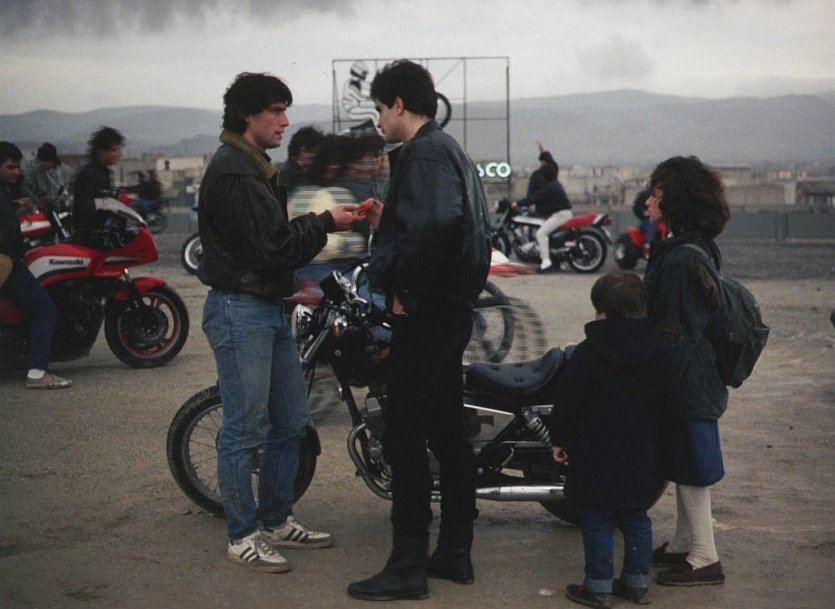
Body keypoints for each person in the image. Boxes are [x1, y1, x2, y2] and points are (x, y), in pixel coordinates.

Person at [196, 72, 359, 574]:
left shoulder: (253, 165)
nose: (285, 121)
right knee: (244, 429)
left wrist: (325, 224)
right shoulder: (235, 170)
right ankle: (242, 535)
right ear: (248, 115)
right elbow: (272, 249)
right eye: (275, 111)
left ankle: (275, 519)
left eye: (285, 110)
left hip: (265, 307)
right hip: (240, 309)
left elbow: (271, 244)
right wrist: (327, 222)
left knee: (291, 421)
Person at [346, 59, 492, 601]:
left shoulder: (424, 153)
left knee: (404, 436)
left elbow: (432, 231)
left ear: (399, 105)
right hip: (449, 311)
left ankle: (407, 564)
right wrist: (389, 221)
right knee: (448, 432)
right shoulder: (446, 149)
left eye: (380, 109)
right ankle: (454, 551)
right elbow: (442, 225)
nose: (379, 120)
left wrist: (404, 293)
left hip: (427, 314)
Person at [548, 271, 666, 608]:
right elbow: (666, 400)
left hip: (595, 453)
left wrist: (560, 439)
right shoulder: (657, 350)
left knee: (597, 518)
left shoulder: (588, 352)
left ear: (602, 312)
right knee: (636, 518)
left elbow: (568, 401)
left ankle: (598, 587)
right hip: (641, 452)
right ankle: (638, 583)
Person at [642, 155, 731, 587]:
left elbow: (675, 333)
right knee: (684, 461)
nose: (647, 202)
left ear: (674, 200)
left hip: (686, 381)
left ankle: (704, 557)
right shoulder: (695, 247)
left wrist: (654, 385)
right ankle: (683, 544)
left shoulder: (679, 260)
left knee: (693, 467)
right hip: (696, 377)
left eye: (656, 194)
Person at [0, 141, 71, 389]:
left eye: (17, 167)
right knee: (45, 310)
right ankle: (38, 373)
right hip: (5, 261)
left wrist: (15, 206)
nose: (16, 172)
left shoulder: (4, 191)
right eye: (10, 167)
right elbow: (7, 230)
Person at [287, 133, 365, 283]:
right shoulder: (340, 192)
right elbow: (352, 241)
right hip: (331, 267)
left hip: (301, 269)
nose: (333, 167)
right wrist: (351, 243)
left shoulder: (300, 192)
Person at [513, 161, 572, 273]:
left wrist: (518, 203)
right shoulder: (555, 184)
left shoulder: (550, 187)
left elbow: (535, 197)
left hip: (560, 215)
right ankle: (557, 262)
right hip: (562, 214)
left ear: (545, 175)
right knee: (551, 236)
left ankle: (546, 262)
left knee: (541, 234)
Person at [71, 126, 124, 244]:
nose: (119, 154)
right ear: (100, 151)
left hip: (101, 232)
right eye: (114, 150)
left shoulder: (103, 172)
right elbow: (88, 205)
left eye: (119, 150)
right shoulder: (89, 173)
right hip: (90, 235)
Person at [277, 125, 325, 195]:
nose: (318, 157)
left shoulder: (291, 171)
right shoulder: (285, 174)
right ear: (303, 150)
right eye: (316, 152)